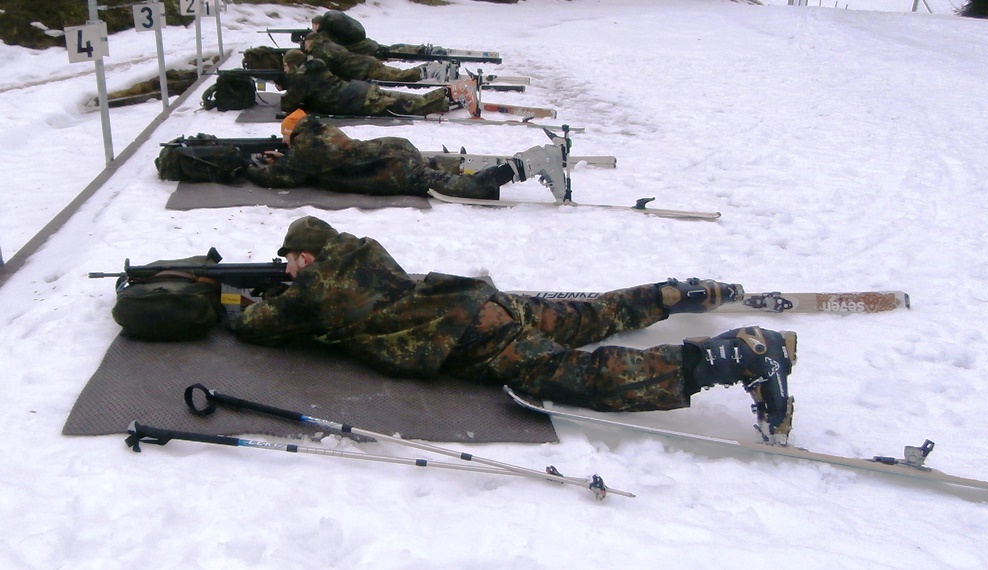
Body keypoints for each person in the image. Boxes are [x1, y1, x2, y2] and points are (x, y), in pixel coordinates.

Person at [234, 216, 799, 444]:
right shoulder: (361, 251)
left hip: (471, 338)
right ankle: (674, 294)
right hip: (479, 300)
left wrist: (249, 296)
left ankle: (732, 356)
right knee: (589, 316)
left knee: (578, 375)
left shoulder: (313, 288)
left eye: (289, 261)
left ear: (305, 257)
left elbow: (255, 326)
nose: (287, 269)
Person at [247, 114, 565, 200]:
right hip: (394, 148)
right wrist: (284, 157)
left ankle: (526, 165)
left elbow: (276, 178)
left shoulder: (306, 150)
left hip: (390, 170)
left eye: (285, 137)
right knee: (429, 167)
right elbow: (312, 161)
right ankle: (460, 164)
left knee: (467, 188)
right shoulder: (321, 132)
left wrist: (245, 167)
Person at [279, 50, 453, 118]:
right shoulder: (316, 67)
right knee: (402, 97)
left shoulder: (301, 79)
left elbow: (287, 104)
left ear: (293, 65)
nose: (285, 70)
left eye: (286, 66)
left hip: (357, 101)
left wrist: (285, 84)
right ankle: (446, 95)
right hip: (358, 89)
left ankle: (447, 98)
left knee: (405, 107)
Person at [302, 32, 459, 84]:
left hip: (364, 69)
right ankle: (437, 68)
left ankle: (430, 70)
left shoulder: (320, 50)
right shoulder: (329, 44)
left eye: (305, 44)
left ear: (310, 41)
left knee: (398, 78)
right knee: (397, 73)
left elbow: (323, 68)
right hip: (367, 62)